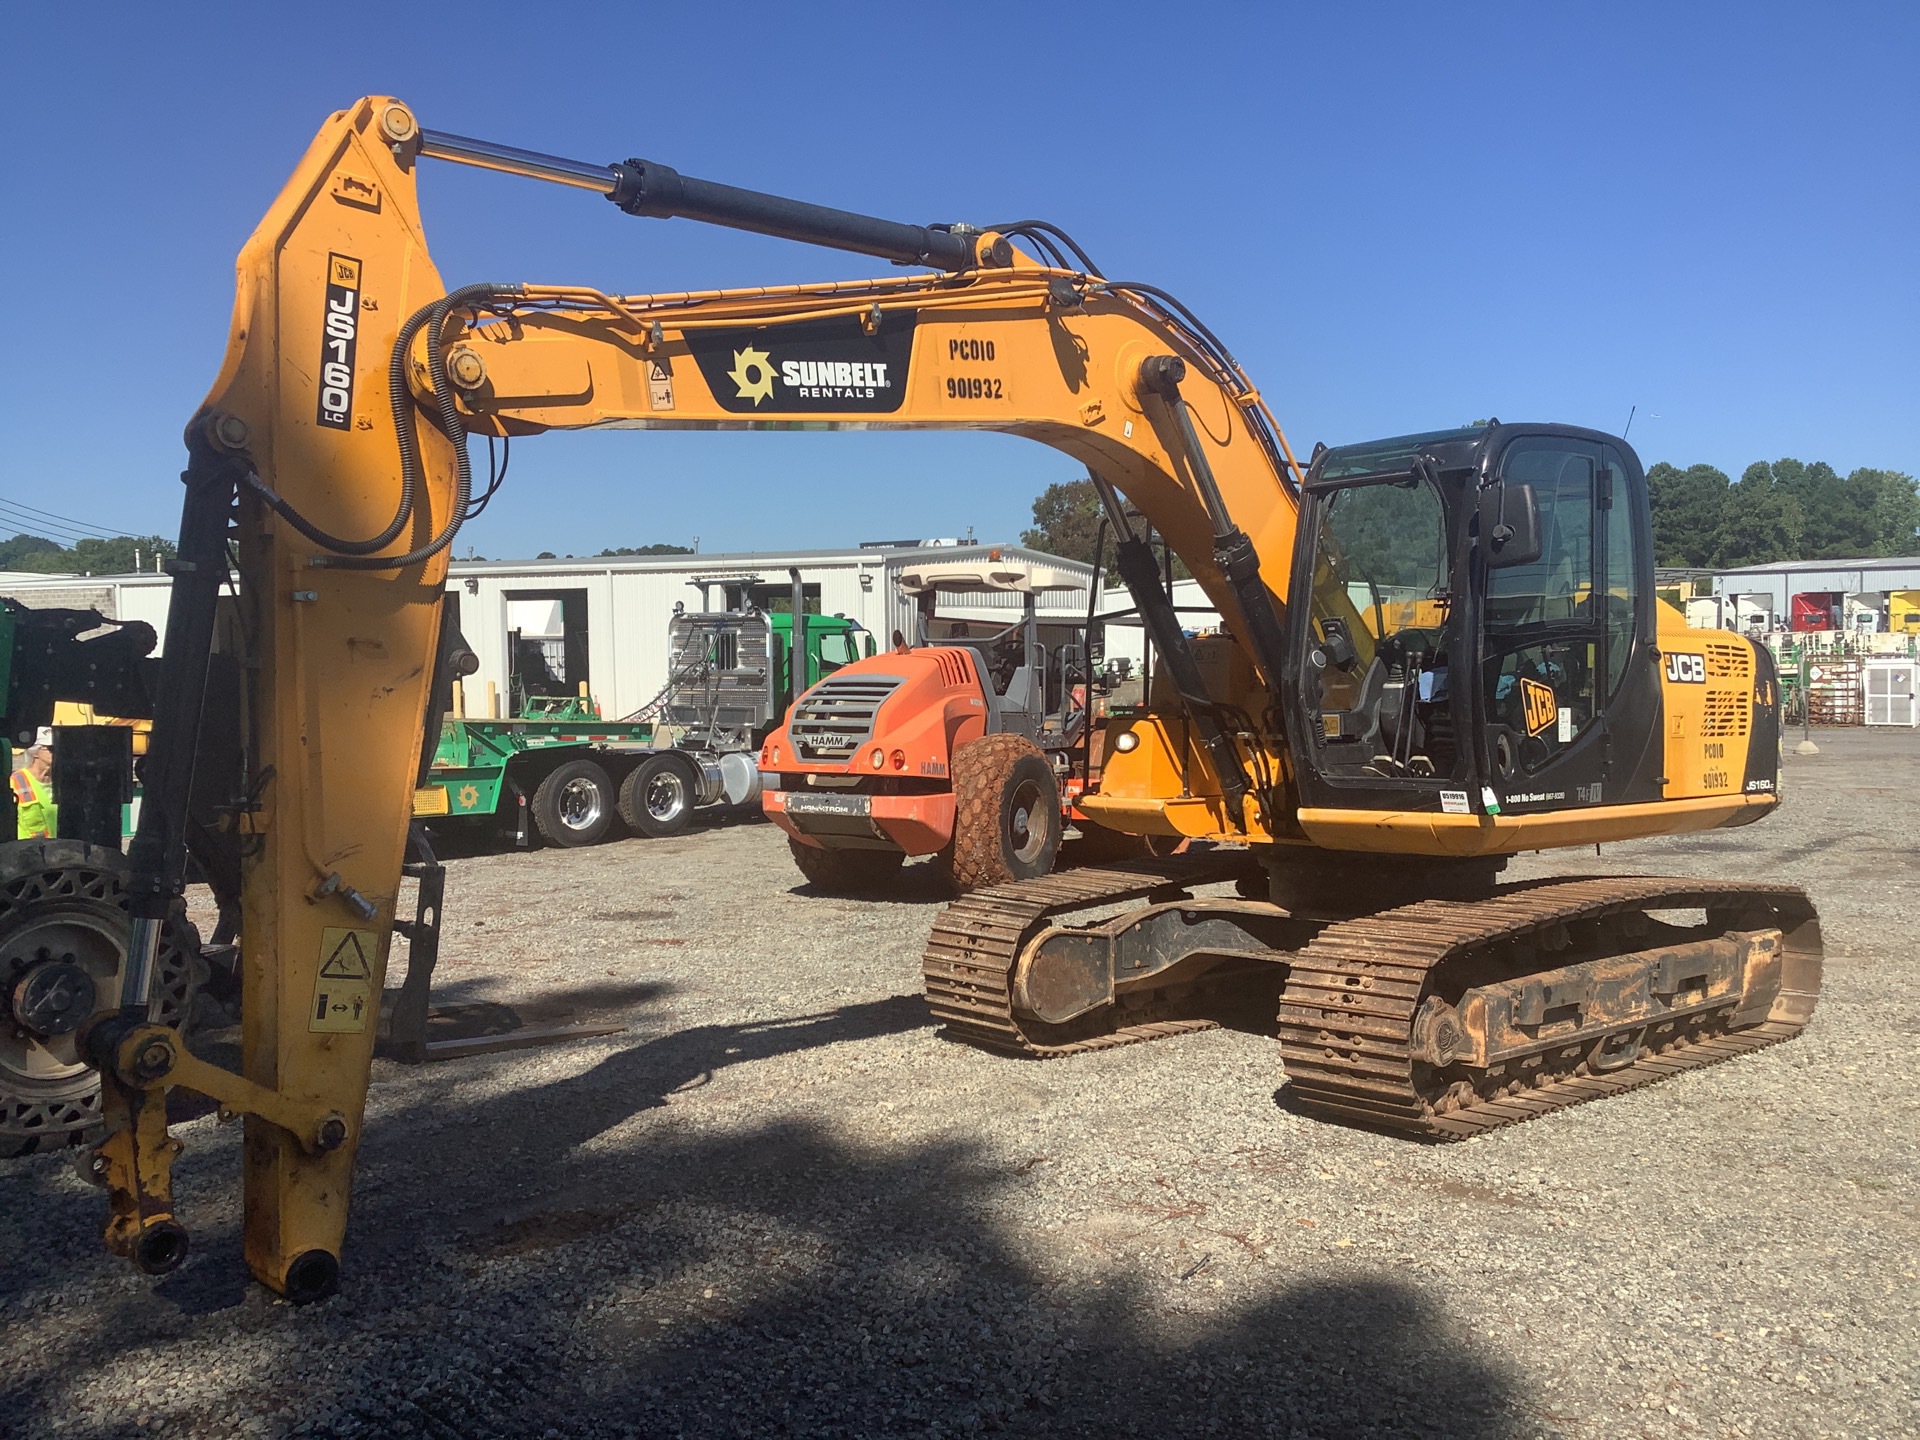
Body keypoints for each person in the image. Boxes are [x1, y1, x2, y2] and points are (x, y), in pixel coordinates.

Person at [12, 741, 56, 840]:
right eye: (51, 748)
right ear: (35, 752)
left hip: (62, 850)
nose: (57, 751)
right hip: (27, 852)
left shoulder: (65, 781)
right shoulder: (16, 780)